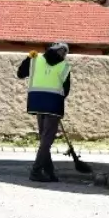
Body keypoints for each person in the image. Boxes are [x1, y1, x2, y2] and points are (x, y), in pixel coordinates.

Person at [16, 42, 72, 183]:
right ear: (64, 53)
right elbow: (66, 90)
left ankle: (49, 172)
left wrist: (28, 58)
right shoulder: (64, 66)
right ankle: (35, 171)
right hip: (53, 103)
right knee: (47, 140)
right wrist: (57, 101)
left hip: (36, 101)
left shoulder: (36, 59)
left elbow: (20, 74)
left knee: (44, 139)